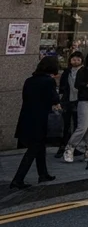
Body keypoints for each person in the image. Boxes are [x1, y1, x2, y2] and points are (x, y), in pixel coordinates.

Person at [11, 55, 61, 189]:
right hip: (40, 119)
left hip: (27, 118)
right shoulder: (48, 81)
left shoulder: (29, 80)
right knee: (33, 149)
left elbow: (25, 97)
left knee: (40, 147)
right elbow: (54, 99)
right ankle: (17, 179)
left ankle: (43, 173)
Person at [57, 50, 83, 156]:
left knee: (78, 125)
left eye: (78, 59)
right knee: (66, 125)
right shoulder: (67, 72)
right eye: (73, 59)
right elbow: (62, 87)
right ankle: (63, 147)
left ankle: (73, 147)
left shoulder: (85, 72)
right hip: (67, 101)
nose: (75, 61)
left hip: (79, 101)